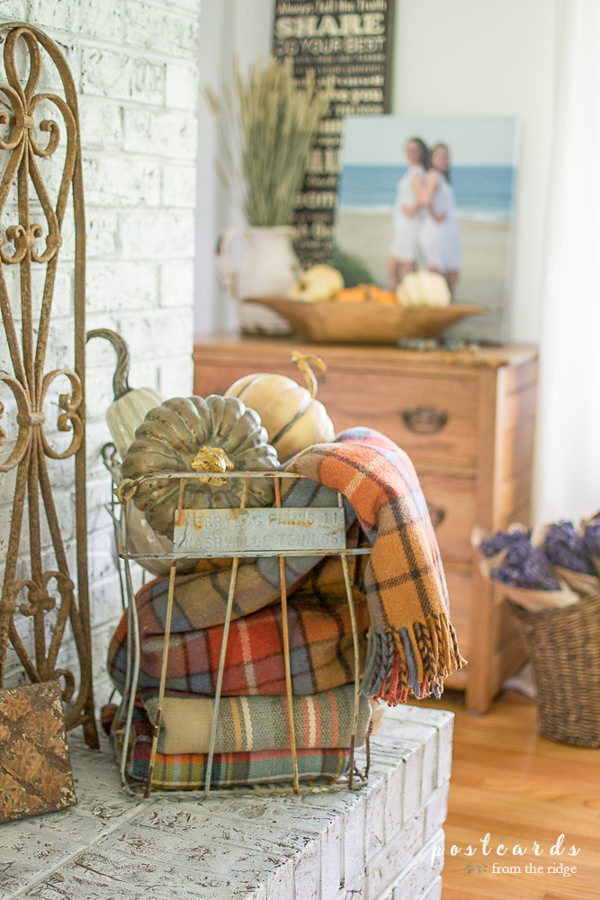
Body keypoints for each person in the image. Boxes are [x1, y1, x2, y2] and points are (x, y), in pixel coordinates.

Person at [387, 137, 429, 291]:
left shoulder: (416, 172)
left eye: (415, 150)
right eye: (408, 149)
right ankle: (403, 297)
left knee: (404, 266)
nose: (411, 153)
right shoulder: (414, 170)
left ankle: (407, 299)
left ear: (421, 153)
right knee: (398, 266)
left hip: (410, 225)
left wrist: (411, 209)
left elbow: (423, 196)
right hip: (405, 225)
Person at [420, 142, 461, 292]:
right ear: (432, 159)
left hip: (446, 232)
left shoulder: (441, 178)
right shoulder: (433, 175)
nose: (444, 159)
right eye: (440, 156)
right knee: (438, 275)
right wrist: (435, 216)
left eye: (446, 156)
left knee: (450, 275)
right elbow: (425, 199)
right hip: (436, 232)